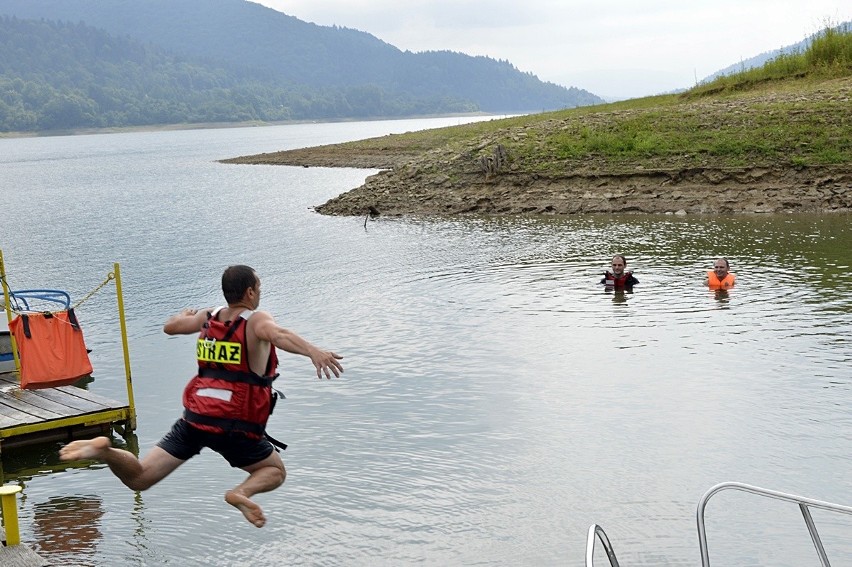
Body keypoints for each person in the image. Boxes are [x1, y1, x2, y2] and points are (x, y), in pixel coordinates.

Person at [59, 264, 343, 528]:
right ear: (250, 292)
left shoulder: (209, 317)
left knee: (140, 478)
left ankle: (104, 451)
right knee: (274, 471)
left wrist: (183, 318)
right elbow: (279, 334)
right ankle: (240, 493)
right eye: (259, 288)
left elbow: (170, 327)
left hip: (195, 419)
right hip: (235, 425)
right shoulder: (256, 321)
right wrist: (313, 351)